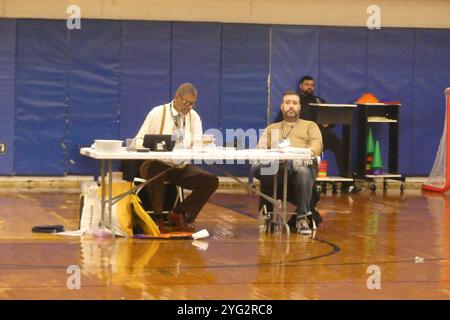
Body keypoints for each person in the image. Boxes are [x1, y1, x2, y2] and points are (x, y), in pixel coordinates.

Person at [134, 83, 219, 233]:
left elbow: (197, 144)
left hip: (180, 167)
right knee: (156, 169)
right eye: (187, 102)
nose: (189, 107)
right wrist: (156, 145)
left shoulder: (194, 117)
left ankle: (179, 213)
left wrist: (204, 144)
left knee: (211, 181)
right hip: (156, 163)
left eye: (193, 104)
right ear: (177, 97)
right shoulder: (157, 113)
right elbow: (137, 141)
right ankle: (158, 219)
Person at [253, 91, 323, 235]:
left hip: (301, 166)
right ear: (282, 107)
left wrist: (300, 155)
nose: (291, 106)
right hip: (275, 169)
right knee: (256, 167)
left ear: (299, 107)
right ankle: (287, 165)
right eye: (288, 102)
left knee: (302, 171)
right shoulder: (271, 128)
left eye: (295, 103)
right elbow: (260, 151)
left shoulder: (310, 126)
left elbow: (317, 146)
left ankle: (302, 218)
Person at [274, 75, 360, 192]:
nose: (310, 87)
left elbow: (331, 119)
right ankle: (307, 183)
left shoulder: (319, 101)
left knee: (339, 144)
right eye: (307, 85)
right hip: (302, 136)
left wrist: (329, 123)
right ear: (301, 86)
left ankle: (347, 182)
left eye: (312, 85)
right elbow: (279, 121)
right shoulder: (294, 102)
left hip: (321, 134)